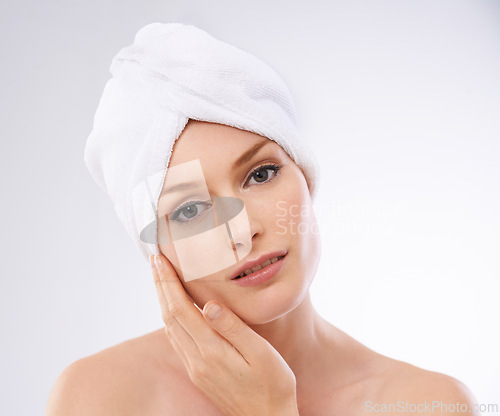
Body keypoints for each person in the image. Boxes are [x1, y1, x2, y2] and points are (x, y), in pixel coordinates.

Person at [45, 23, 480, 416]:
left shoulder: (431, 404)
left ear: (306, 177)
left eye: (261, 174)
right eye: (190, 210)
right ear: (158, 251)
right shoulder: (100, 398)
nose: (242, 231)